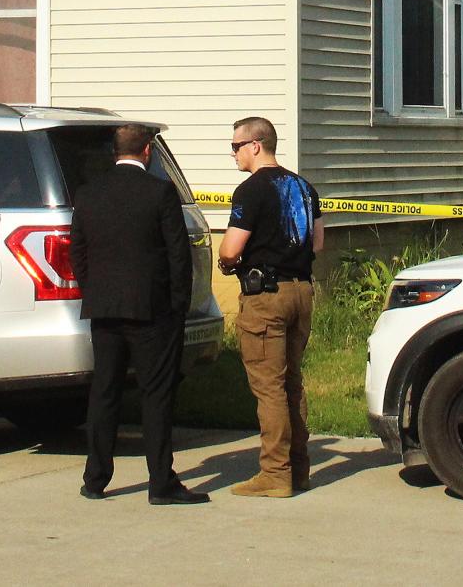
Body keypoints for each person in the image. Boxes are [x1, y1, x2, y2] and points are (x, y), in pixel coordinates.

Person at [70, 123, 209, 505]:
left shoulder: (88, 193)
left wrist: (94, 290)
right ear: (147, 151)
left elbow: (77, 252)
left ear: (114, 153)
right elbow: (177, 255)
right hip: (153, 310)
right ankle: (160, 481)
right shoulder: (159, 192)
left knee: (105, 391)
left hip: (105, 309)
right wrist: (179, 305)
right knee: (156, 394)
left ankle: (95, 478)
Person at [218, 116, 324, 498]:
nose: (233, 153)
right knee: (292, 381)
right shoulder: (304, 187)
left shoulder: (250, 191)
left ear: (256, 145)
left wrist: (226, 263)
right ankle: (299, 469)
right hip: (301, 292)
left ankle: (274, 474)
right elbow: (317, 244)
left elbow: (231, 249)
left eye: (236, 146)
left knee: (269, 387)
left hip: (266, 297)